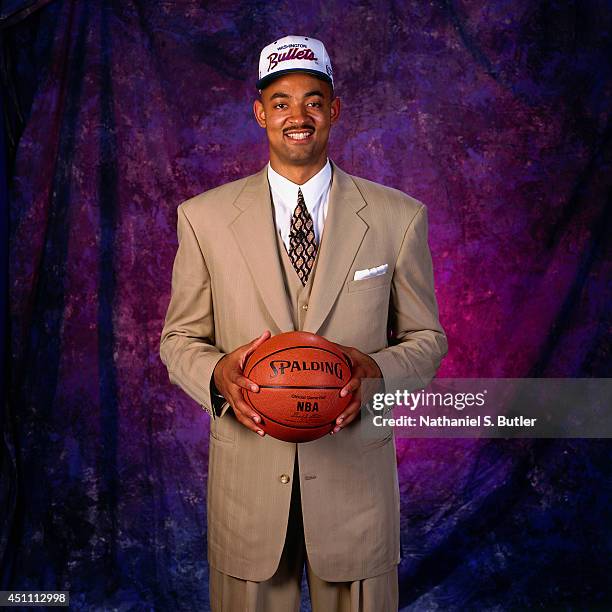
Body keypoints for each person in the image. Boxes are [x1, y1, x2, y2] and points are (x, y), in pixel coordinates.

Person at [160, 35, 447, 612]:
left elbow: (427, 338)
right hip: (249, 485)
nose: (299, 116)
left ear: (334, 111)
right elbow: (179, 339)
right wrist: (219, 374)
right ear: (260, 112)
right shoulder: (203, 218)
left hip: (356, 483)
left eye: (314, 101)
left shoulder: (397, 217)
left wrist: (378, 372)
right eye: (283, 102)